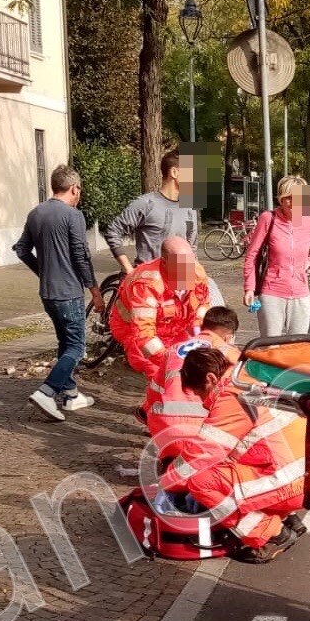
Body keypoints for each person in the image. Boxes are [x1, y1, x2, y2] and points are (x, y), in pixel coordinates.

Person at [157, 346, 310, 564]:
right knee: (231, 470)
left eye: (201, 393)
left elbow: (201, 457)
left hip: (294, 481)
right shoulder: (248, 377)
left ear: (211, 378)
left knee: (201, 484)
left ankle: (272, 533)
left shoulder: (230, 398)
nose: (203, 402)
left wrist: (165, 482)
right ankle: (289, 519)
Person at [13, 165, 104, 422]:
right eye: (80, 190)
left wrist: (42, 271)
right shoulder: (73, 216)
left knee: (64, 343)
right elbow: (80, 256)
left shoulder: (36, 213)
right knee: (76, 347)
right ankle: (47, 391)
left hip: (48, 292)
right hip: (69, 291)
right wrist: (95, 291)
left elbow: (21, 249)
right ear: (74, 188)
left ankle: (71, 394)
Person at [109, 236, 211, 379]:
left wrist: (199, 334)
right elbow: (144, 333)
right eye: (180, 267)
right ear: (164, 263)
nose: (186, 273)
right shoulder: (147, 284)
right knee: (161, 375)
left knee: (190, 367)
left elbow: (202, 306)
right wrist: (167, 361)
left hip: (174, 326)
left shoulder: (196, 272)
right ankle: (157, 399)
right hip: (133, 330)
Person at [145, 306, 241, 458]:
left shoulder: (173, 349)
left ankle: (169, 457)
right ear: (229, 336)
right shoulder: (230, 354)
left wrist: (146, 413)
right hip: (204, 435)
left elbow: (154, 390)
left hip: (165, 433)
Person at [242, 175, 310, 336]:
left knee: (297, 348)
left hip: (300, 294)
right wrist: (249, 288)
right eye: (288, 198)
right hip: (271, 293)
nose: (293, 203)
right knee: (270, 348)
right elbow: (252, 255)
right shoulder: (268, 219)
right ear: (281, 199)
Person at [102, 149, 198, 275]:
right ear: (174, 172)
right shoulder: (146, 204)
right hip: (150, 281)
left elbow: (192, 248)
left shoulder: (189, 209)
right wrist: (128, 269)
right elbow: (113, 231)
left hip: (179, 280)